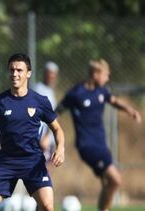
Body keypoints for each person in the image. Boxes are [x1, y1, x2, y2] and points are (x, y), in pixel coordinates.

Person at [0, 53, 65, 211]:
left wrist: (60, 148)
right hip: (6, 164)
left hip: (33, 162)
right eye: (12, 70)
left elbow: (57, 129)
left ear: (28, 73)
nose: (15, 74)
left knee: (48, 207)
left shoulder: (40, 101)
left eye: (19, 70)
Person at [56, 58, 142, 211]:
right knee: (115, 180)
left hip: (101, 143)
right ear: (95, 74)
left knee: (106, 183)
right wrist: (47, 132)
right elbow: (56, 112)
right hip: (87, 145)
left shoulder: (102, 91)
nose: (108, 78)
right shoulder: (76, 93)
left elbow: (114, 101)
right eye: (106, 74)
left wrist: (130, 110)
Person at [33, 61, 60, 160]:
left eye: (54, 74)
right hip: (40, 139)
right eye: (50, 73)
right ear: (45, 74)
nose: (52, 76)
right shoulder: (39, 89)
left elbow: (54, 115)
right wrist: (45, 137)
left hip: (48, 139)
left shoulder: (50, 91)